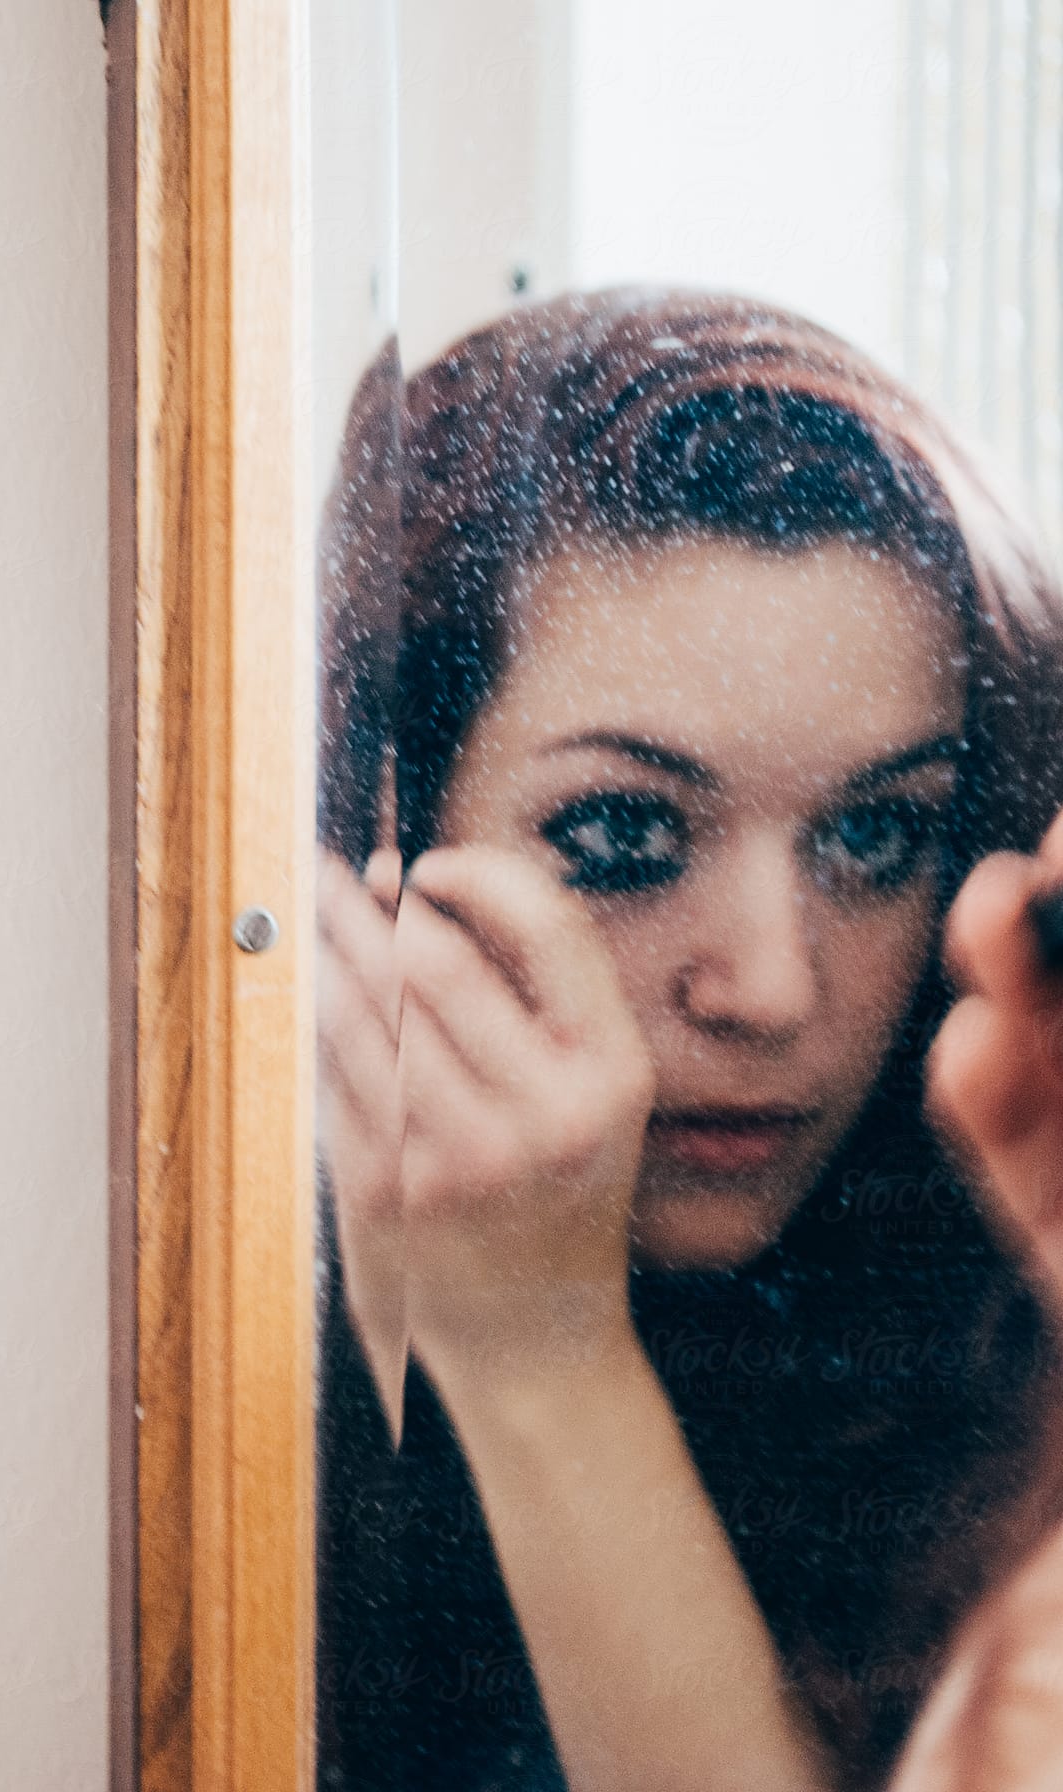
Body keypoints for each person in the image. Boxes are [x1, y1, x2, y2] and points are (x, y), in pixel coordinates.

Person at [313, 290, 1063, 1792]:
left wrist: (543, 1358)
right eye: (624, 833)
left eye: (875, 833)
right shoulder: (221, 1350)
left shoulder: (1020, 1331)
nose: (775, 990)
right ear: (377, 835)